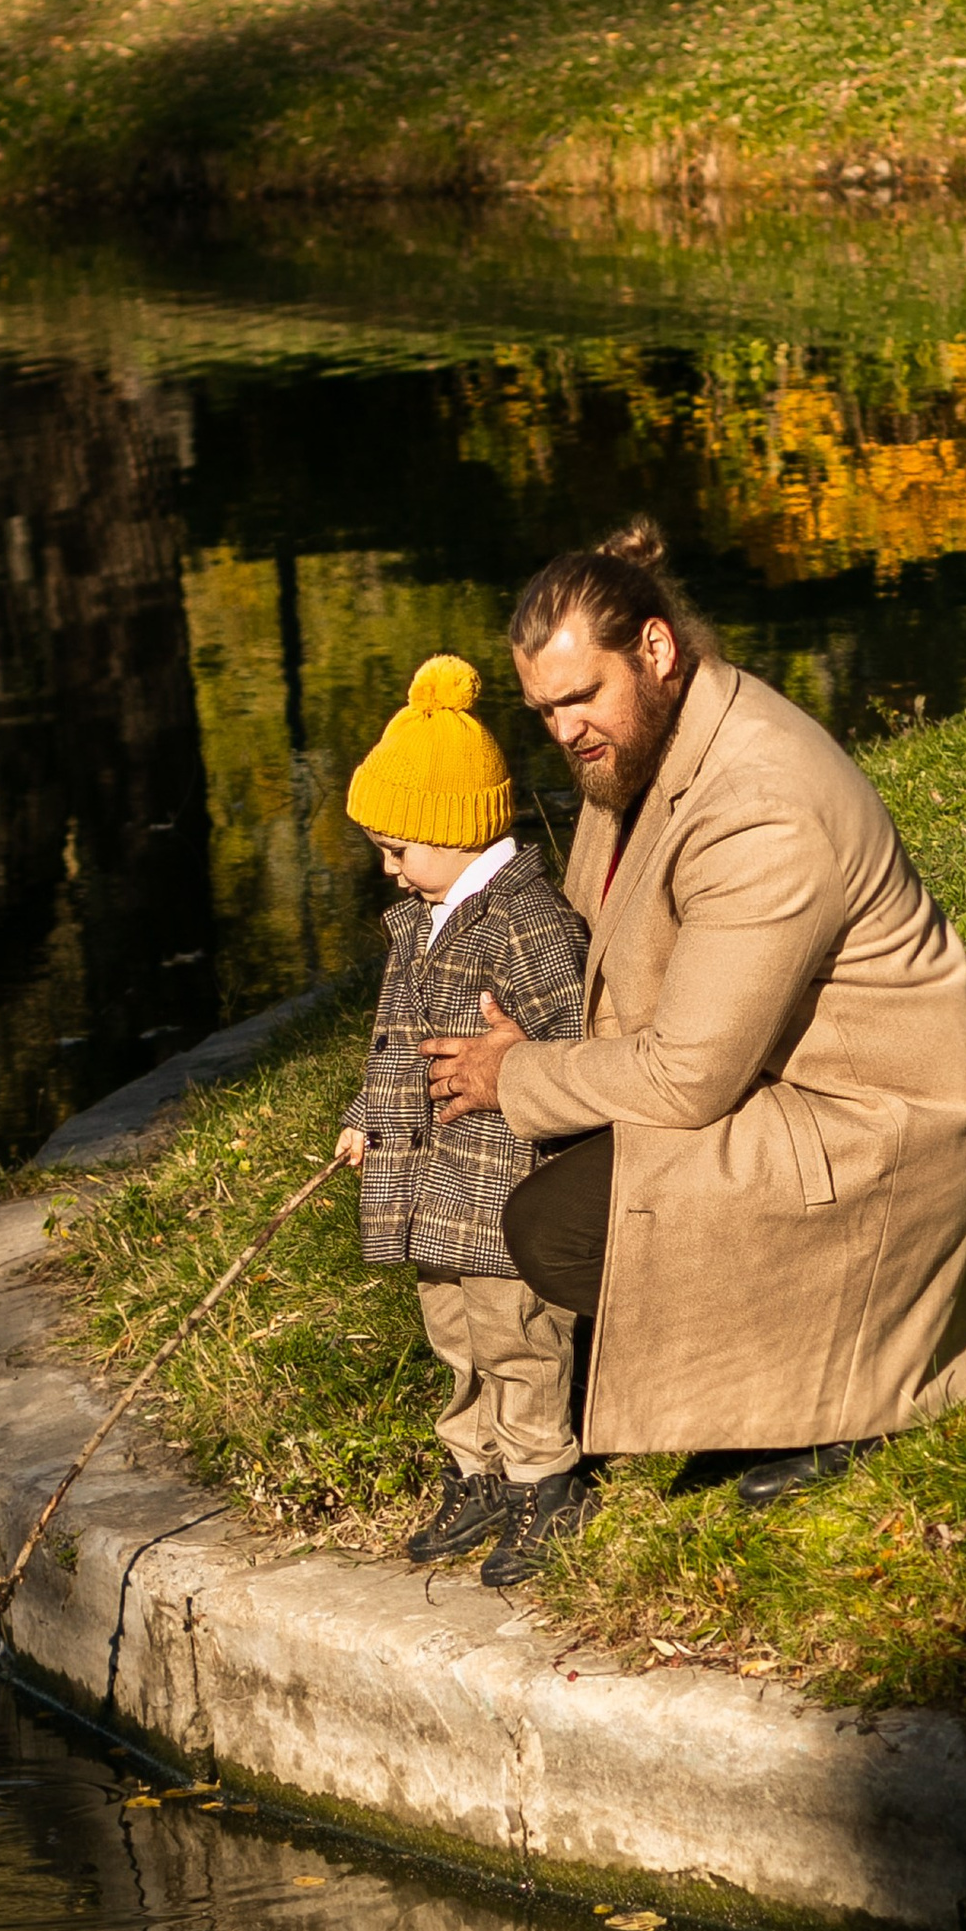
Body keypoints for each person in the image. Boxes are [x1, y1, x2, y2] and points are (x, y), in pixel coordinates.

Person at [420, 520, 966, 1516]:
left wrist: (512, 1076)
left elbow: (686, 1077)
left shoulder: (760, 803)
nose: (562, 730)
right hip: (775, 1084)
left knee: (552, 1229)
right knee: (524, 1182)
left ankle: (843, 1396)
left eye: (579, 697)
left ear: (655, 651)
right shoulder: (650, 733)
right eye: (542, 709)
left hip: (868, 1134)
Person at [336, 657, 591, 1592]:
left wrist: (530, 1053)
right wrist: (369, 1113)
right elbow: (393, 1036)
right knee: (452, 1328)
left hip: (499, 1173)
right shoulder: (421, 919)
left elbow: (575, 1036)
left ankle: (544, 1482)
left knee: (516, 1329)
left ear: (456, 831)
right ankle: (474, 1465)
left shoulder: (525, 925)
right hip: (426, 1176)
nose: (390, 869)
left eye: (400, 848)